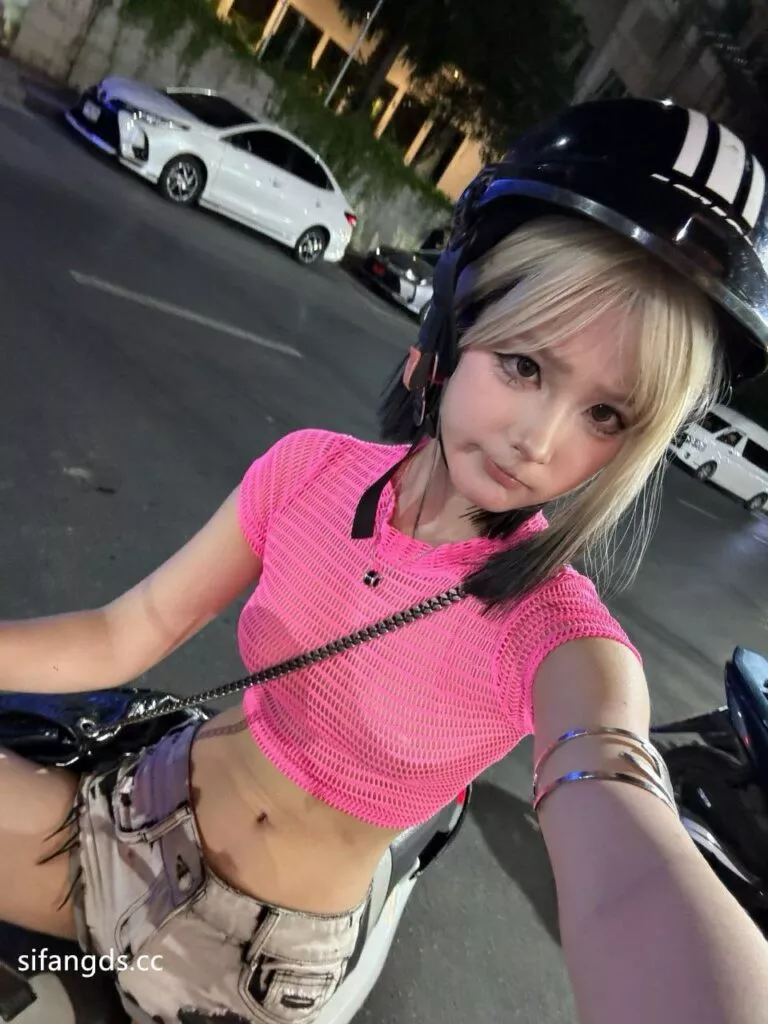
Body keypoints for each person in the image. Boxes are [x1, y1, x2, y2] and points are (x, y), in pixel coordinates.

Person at [2, 96, 768, 1024]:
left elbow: (619, 828)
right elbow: (129, 630)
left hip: (248, 967)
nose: (539, 441)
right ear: (453, 327)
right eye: (524, 365)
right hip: (126, 814)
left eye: (606, 415)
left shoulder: (560, 633)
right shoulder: (311, 470)